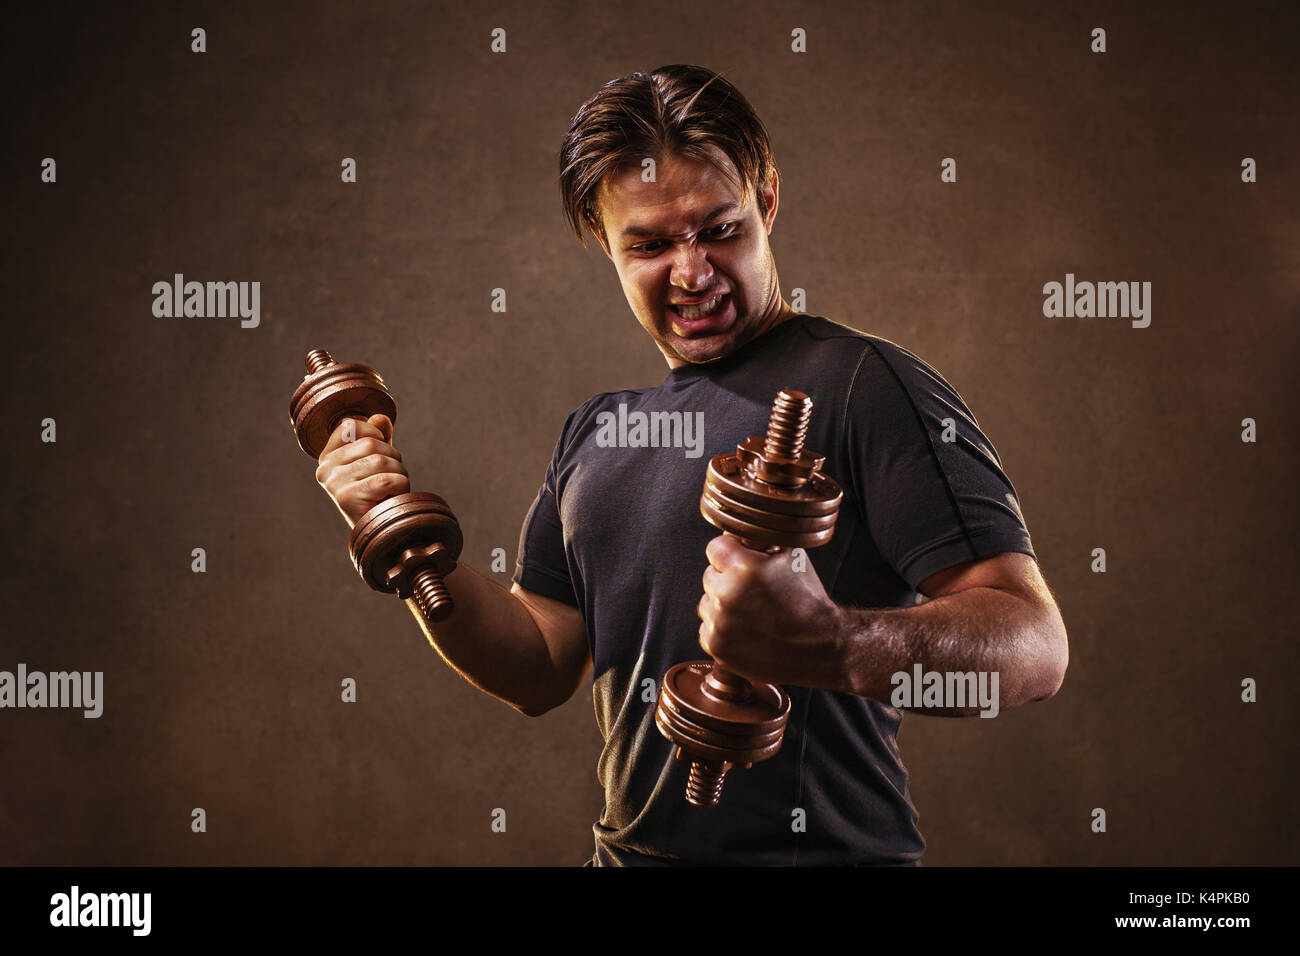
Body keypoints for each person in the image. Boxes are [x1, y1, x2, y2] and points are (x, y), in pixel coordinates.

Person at [312, 64, 1068, 866]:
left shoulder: (863, 386)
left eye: (719, 229)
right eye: (649, 244)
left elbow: (1033, 650)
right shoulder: (596, 434)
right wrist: (398, 542)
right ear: (601, 242)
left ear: (767, 202)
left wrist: (837, 643)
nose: (692, 272)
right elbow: (536, 667)